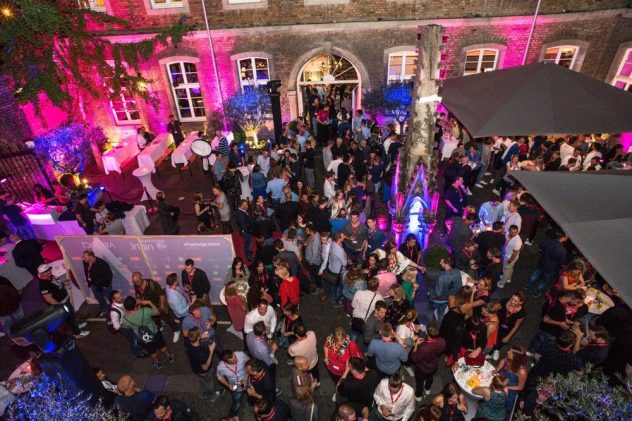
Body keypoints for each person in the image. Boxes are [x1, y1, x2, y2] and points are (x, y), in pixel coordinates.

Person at [38, 264, 89, 338]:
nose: (49, 272)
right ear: (41, 274)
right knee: (69, 319)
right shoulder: (43, 285)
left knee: (72, 315)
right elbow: (48, 298)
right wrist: (60, 306)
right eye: (46, 271)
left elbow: (59, 286)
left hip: (65, 300)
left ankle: (76, 326)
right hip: (61, 304)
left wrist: (65, 283)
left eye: (49, 270)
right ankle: (77, 333)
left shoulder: (52, 277)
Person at [123, 296, 174, 369]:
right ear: (135, 305)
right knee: (162, 346)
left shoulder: (125, 319)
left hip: (143, 337)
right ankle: (169, 356)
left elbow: (127, 327)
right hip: (154, 333)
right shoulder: (145, 311)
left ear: (126, 308)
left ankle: (157, 363)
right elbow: (157, 312)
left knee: (152, 351)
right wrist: (149, 303)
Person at [132, 272, 179, 342]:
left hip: (158, 305)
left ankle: (176, 330)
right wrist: (139, 300)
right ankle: (160, 326)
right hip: (149, 307)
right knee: (155, 319)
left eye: (137, 281)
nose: (136, 283)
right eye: (134, 282)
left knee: (167, 318)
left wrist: (162, 305)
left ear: (142, 277)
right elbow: (138, 295)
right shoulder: (136, 285)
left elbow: (162, 294)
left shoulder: (152, 283)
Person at [184, 327, 223, 402]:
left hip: (195, 368)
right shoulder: (200, 354)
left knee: (203, 380)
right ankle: (211, 396)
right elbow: (205, 367)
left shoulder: (188, 343)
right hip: (205, 372)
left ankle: (202, 392)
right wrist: (211, 351)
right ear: (198, 337)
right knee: (209, 383)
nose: (202, 334)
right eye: (200, 334)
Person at [525, 230, 568, 297]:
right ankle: (536, 292)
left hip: (541, 263)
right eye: (566, 237)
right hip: (551, 269)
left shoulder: (547, 241)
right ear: (562, 238)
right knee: (544, 281)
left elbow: (540, 249)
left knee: (535, 275)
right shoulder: (563, 251)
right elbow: (562, 263)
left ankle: (527, 286)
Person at [410, 323, 446, 401]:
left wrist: (416, 344)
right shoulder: (442, 341)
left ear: (427, 333)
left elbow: (414, 357)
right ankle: (427, 389)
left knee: (419, 382)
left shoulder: (423, 348)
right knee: (430, 378)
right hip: (433, 366)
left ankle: (418, 395)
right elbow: (441, 351)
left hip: (421, 368)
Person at [216, 349, 249, 417]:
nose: (236, 360)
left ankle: (250, 401)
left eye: (235, 357)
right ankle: (231, 415)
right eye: (233, 361)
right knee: (237, 402)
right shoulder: (220, 367)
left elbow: (250, 364)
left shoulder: (241, 355)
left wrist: (246, 378)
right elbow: (219, 377)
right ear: (226, 362)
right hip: (235, 386)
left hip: (248, 381)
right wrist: (228, 385)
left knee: (250, 394)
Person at [428, 257, 462, 323]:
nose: (440, 263)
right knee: (441, 314)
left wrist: (429, 293)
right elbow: (458, 287)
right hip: (447, 299)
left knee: (430, 311)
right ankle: (440, 327)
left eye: (441, 262)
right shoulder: (457, 271)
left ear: (446, 264)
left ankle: (428, 326)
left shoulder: (441, 277)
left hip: (437, 300)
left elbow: (437, 293)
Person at [496, 346, 528, 411]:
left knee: (501, 405)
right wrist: (497, 369)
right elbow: (503, 361)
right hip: (501, 380)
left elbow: (520, 387)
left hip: (510, 389)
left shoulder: (522, 371)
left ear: (516, 357)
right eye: (509, 350)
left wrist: (506, 387)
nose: (507, 352)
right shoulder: (509, 358)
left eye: (510, 352)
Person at [82, 250, 113, 317]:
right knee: (99, 298)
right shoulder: (85, 262)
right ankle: (104, 310)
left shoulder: (102, 264)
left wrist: (104, 285)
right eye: (83, 257)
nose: (83, 259)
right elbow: (86, 272)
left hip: (104, 285)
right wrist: (89, 283)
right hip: (94, 285)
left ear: (91, 256)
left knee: (110, 299)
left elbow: (109, 275)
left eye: (85, 257)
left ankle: (113, 311)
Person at [498, 224, 522, 289]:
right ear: (509, 230)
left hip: (510, 257)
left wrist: (510, 260)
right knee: (509, 268)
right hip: (507, 254)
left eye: (515, 232)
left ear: (517, 232)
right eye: (511, 231)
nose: (513, 234)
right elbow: (506, 241)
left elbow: (515, 253)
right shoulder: (507, 233)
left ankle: (501, 283)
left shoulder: (517, 242)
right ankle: (508, 278)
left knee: (506, 270)